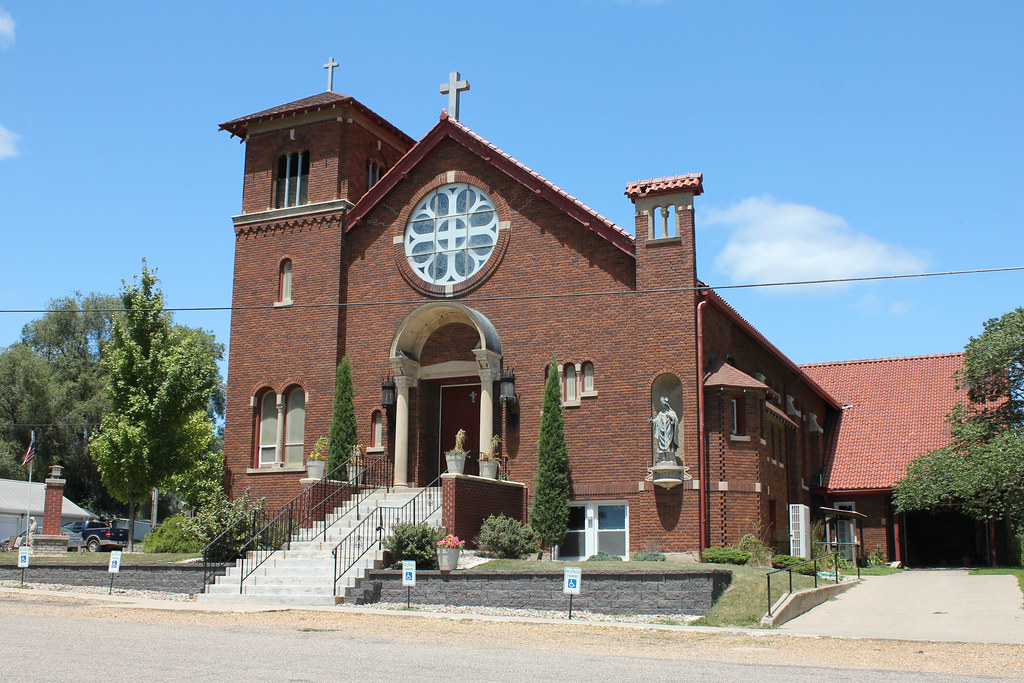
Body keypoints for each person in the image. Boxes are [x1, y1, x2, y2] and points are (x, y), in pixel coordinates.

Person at [649, 396, 679, 463]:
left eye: (664, 405)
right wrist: (652, 421)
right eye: (662, 405)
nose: (663, 407)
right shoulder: (660, 413)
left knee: (670, 445)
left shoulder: (671, 413)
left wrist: (671, 418)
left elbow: (675, 420)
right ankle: (662, 459)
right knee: (661, 446)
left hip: (669, 432)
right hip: (661, 433)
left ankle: (671, 459)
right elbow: (656, 420)